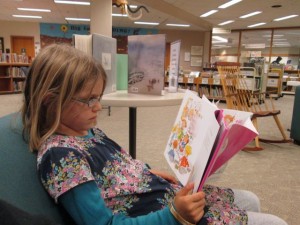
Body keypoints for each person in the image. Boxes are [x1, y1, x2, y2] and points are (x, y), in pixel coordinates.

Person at [21, 44, 288, 225]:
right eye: (88, 100)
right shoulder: (60, 157)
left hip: (159, 193)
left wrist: (145, 170)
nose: (98, 107)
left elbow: (114, 168)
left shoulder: (85, 130)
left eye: (98, 97)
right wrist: (173, 216)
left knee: (250, 199)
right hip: (165, 215)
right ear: (50, 102)